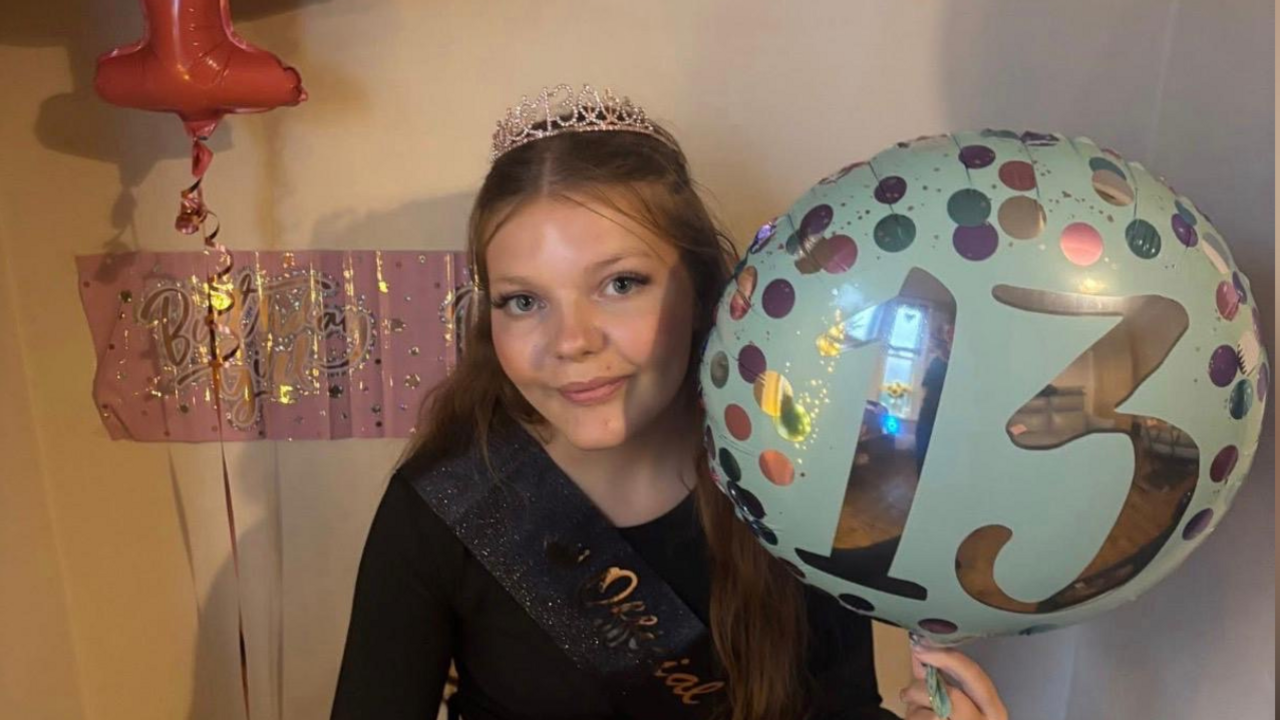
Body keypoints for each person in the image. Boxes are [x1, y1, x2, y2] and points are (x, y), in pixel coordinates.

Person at [330, 84, 1007, 720]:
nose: (570, 341)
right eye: (524, 301)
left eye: (621, 284)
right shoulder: (448, 506)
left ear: (700, 289)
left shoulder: (790, 481)